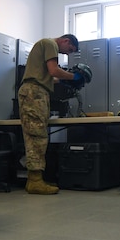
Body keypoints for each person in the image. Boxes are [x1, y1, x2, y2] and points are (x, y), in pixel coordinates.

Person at [18, 34, 81, 194]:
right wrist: (74, 76)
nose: (66, 54)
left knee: (37, 135)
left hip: (36, 91)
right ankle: (35, 181)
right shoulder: (49, 44)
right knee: (37, 136)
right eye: (69, 50)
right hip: (35, 92)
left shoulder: (43, 46)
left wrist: (65, 80)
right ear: (66, 41)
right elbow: (54, 71)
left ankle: (35, 179)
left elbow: (49, 77)